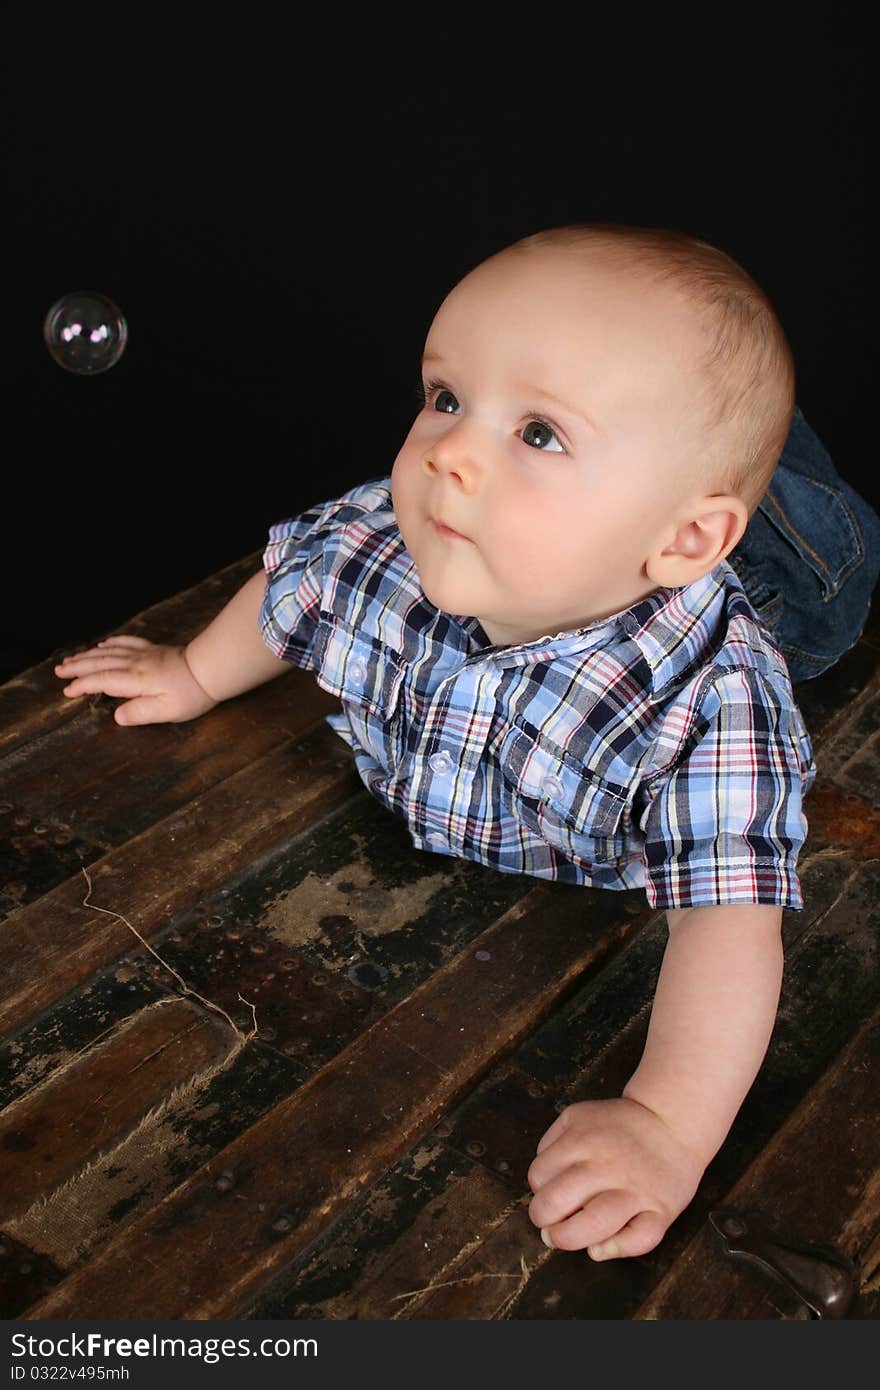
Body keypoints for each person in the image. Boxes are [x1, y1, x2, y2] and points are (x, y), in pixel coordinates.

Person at [52, 223, 880, 1265]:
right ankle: (662, 414)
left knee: (808, 548)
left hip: (782, 574)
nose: (446, 451)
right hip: (618, 526)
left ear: (680, 538)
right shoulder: (397, 538)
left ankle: (762, 460)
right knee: (666, 408)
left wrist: (667, 1125)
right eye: (446, 397)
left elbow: (730, 930)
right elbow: (298, 585)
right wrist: (191, 671)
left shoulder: (710, 702)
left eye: (537, 432)